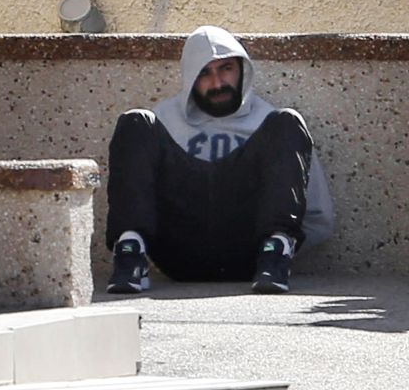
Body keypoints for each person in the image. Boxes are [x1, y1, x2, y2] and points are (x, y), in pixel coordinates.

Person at [105, 25, 334, 294]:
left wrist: (285, 239)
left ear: (241, 70)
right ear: (190, 78)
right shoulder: (163, 122)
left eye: (226, 68)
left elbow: (319, 217)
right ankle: (130, 255)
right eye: (204, 73)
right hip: (178, 251)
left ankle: (276, 250)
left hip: (252, 252)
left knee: (288, 120)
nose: (217, 83)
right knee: (135, 121)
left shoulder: (269, 124)